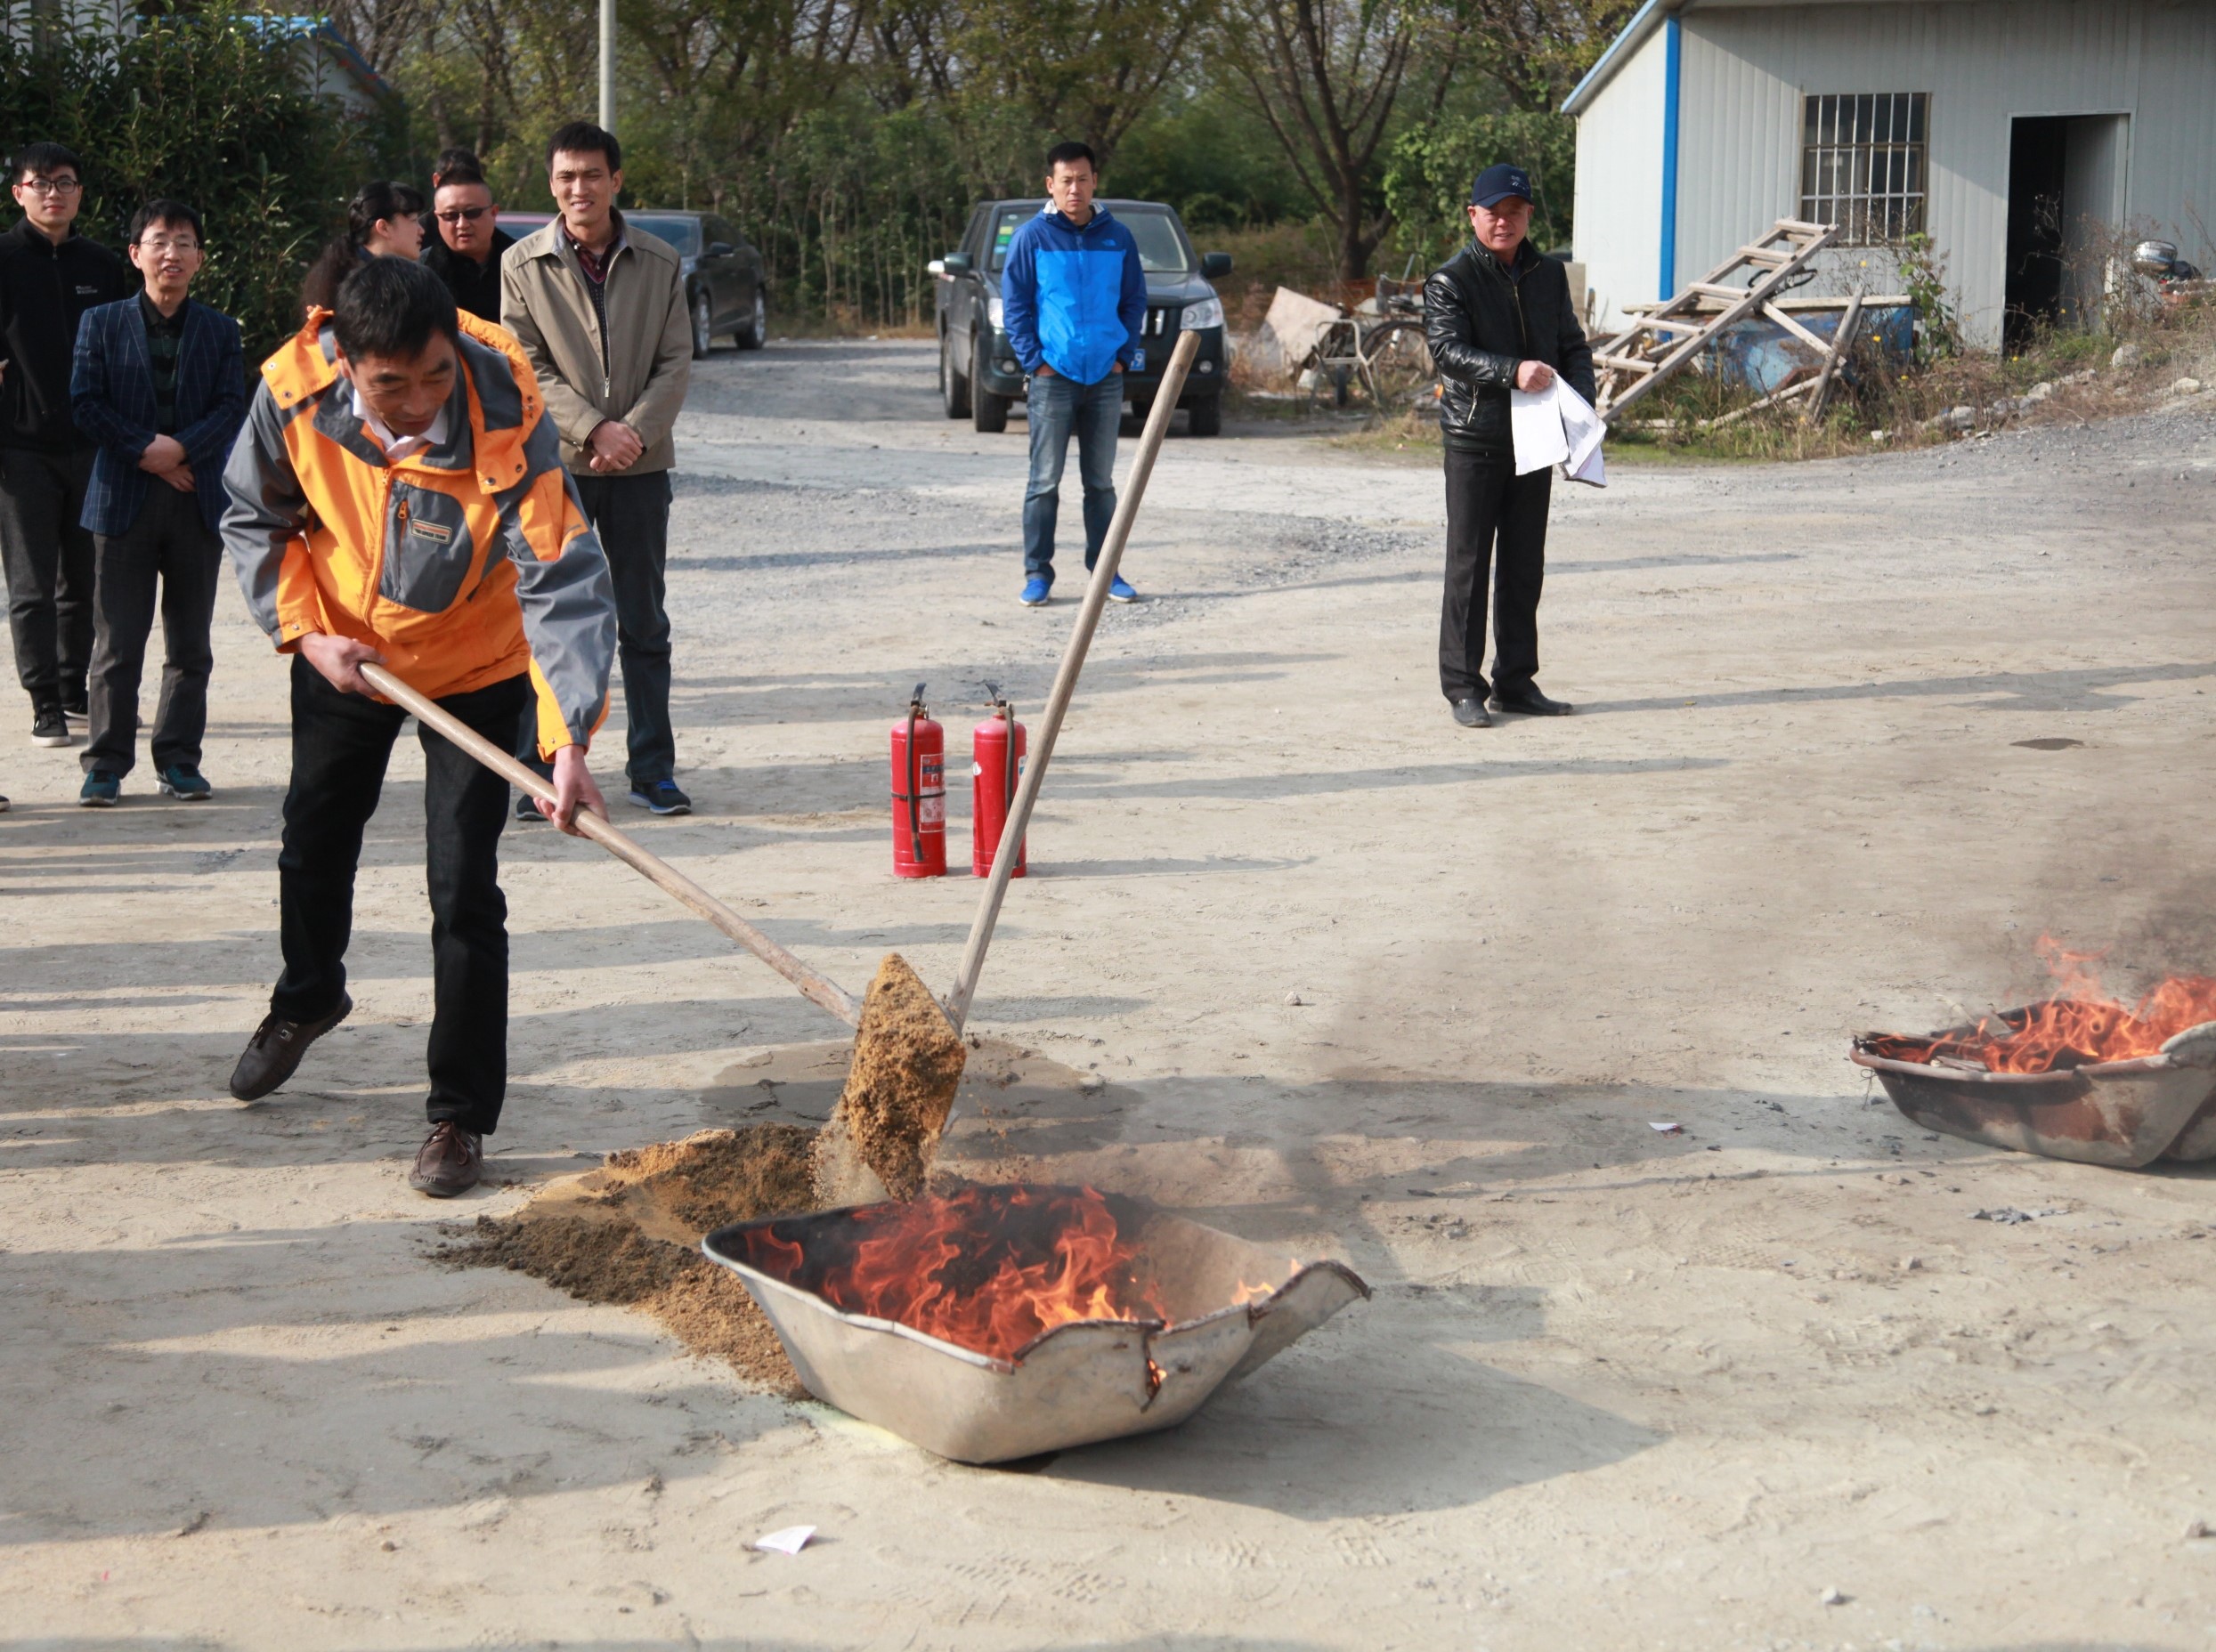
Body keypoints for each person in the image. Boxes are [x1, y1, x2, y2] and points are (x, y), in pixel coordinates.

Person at [220, 257, 616, 1196]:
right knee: (312, 841)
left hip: (475, 665)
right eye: (388, 383)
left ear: (453, 345)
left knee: (462, 886)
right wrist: (305, 633)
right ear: (346, 362)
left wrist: (565, 741)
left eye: (433, 374)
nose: (414, 401)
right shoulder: (292, 390)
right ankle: (308, 996)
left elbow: (561, 576)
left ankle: (457, 1116)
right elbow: (253, 514)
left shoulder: (504, 409)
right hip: (345, 654)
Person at [501, 121, 692, 817]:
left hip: (640, 469)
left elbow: (675, 363)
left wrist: (631, 436)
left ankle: (653, 769)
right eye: (564, 177)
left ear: (615, 179)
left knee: (643, 623)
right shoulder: (521, 265)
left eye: (590, 175)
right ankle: (542, 768)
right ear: (551, 185)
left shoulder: (661, 262)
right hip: (560, 471)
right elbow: (524, 367)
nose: (577, 188)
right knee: (551, 620)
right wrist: (590, 430)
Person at [68, 199, 247, 806]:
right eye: (160, 241)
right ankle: (105, 765)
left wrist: (178, 452)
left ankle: (178, 760)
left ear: (199, 257)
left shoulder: (221, 330)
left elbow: (230, 408)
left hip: (194, 500)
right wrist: (147, 451)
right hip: (122, 499)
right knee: (117, 642)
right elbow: (85, 402)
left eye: (185, 242)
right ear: (135, 254)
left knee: (190, 644)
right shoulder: (102, 322)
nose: (172, 253)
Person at [1425, 162, 1594, 728]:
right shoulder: (1451, 279)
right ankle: (1462, 688)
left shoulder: (1548, 275)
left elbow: (1572, 344)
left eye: (1514, 212)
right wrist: (1512, 371)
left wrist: (1584, 413)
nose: (1504, 222)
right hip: (1475, 439)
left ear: (1528, 216)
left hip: (1538, 438)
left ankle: (1516, 682)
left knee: (1525, 566)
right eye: (1493, 212)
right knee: (1469, 567)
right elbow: (1448, 352)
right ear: (1473, 215)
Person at [0, 142, 131, 748]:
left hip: (90, 443)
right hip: (20, 447)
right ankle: (43, 701)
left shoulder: (101, 266)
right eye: (40, 182)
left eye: (66, 182)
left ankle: (75, 687)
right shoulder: (3, 259)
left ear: (80, 193)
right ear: (18, 193)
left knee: (84, 580)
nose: (54, 192)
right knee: (31, 585)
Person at [1000, 140, 1146, 608]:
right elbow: (1016, 307)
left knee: (1100, 483)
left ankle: (1104, 573)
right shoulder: (1031, 238)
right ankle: (1037, 575)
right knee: (1044, 482)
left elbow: (1134, 300)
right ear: (1051, 185)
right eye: (1066, 180)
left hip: (1105, 377)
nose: (1075, 189)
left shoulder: (1117, 237)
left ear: (1095, 181)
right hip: (1052, 378)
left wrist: (1122, 355)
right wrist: (1035, 362)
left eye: (1083, 179)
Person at [301, 181, 426, 313]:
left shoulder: (347, 269)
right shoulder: (363, 289)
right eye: (413, 220)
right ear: (383, 228)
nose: (421, 230)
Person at [422, 150, 515, 324]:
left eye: (472, 213)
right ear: (437, 218)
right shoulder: (420, 274)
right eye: (451, 216)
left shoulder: (522, 265)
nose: (462, 224)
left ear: (494, 213)